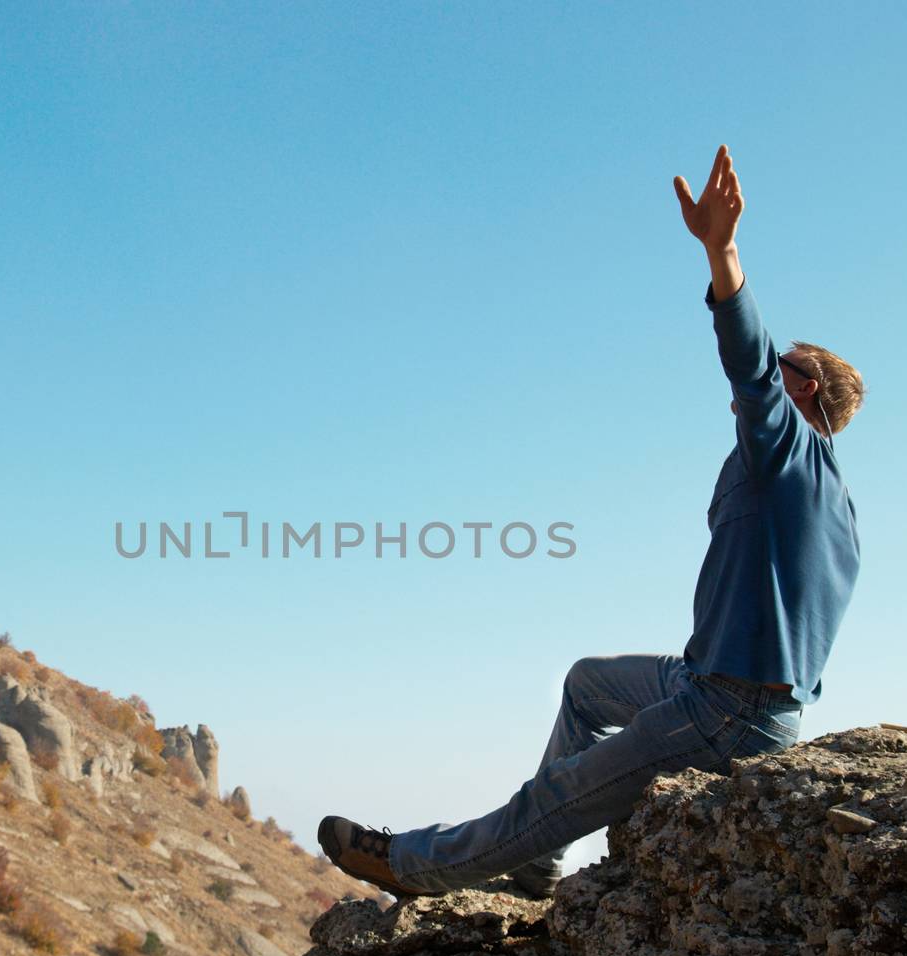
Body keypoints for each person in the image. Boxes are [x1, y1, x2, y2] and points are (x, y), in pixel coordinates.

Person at [318, 145, 865, 899]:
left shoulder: (789, 452)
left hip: (730, 712)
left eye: (786, 367)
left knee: (561, 792)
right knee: (586, 684)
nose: (770, 375)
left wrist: (722, 250)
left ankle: (416, 864)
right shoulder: (820, 493)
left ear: (805, 391)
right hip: (715, 682)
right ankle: (540, 867)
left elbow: (748, 363)